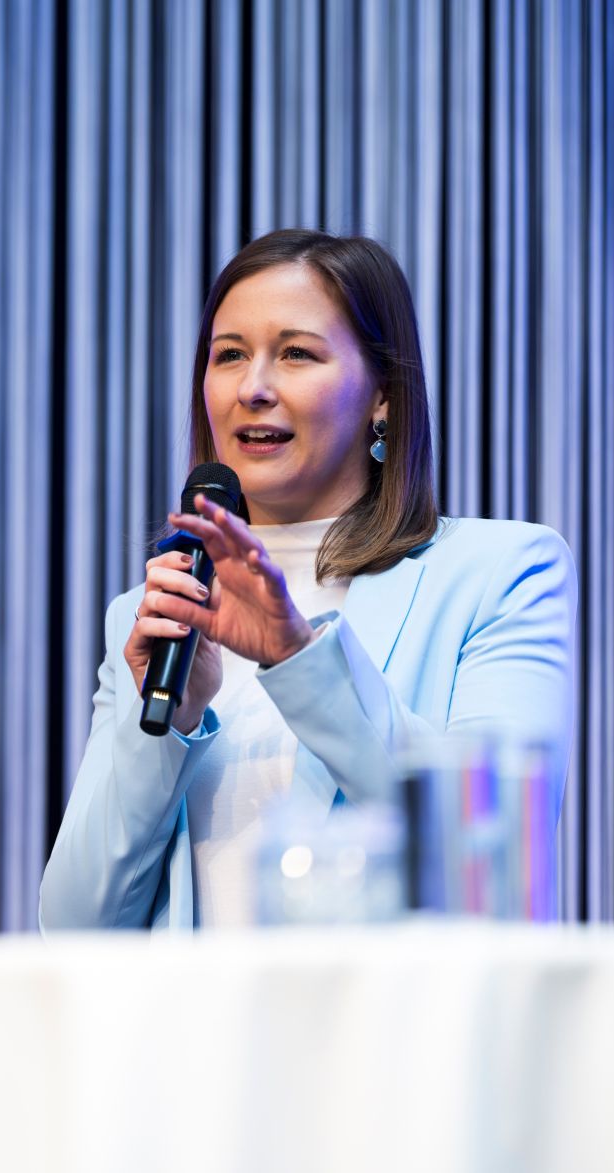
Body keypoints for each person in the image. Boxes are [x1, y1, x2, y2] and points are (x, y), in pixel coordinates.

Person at [39, 229, 575, 931]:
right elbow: (75, 925)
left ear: (382, 395)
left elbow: (486, 859)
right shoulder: (149, 613)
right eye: (228, 355)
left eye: (296, 353)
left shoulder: (501, 572)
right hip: (192, 1037)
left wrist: (299, 656)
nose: (253, 388)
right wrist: (166, 726)